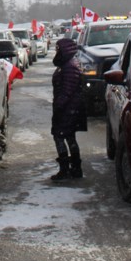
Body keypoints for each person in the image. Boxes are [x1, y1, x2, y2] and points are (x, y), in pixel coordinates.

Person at [50, 37, 87, 180]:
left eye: (58, 48)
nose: (56, 51)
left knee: (59, 136)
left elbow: (67, 91)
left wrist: (59, 106)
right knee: (69, 137)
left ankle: (67, 169)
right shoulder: (68, 64)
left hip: (68, 109)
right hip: (69, 108)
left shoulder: (69, 67)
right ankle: (74, 168)